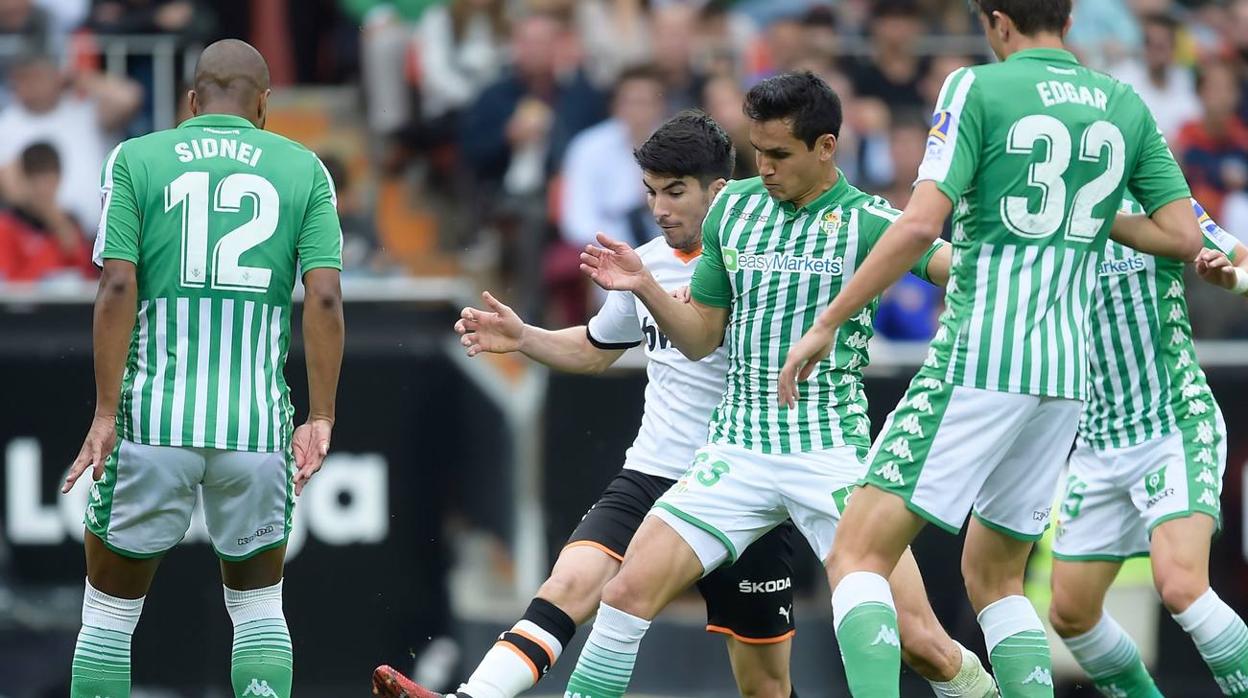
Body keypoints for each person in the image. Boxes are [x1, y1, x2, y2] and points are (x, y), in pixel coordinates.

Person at [777, 1, 1202, 695]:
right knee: (995, 576)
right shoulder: (1122, 102)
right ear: (1064, 19)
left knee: (857, 552)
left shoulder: (977, 87)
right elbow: (1183, 239)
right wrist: (1087, 216)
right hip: (1065, 372)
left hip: (982, 356)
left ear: (998, 21)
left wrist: (828, 321)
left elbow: (919, 226)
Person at [562, 72, 998, 698]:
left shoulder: (870, 222)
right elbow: (700, 338)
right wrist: (647, 288)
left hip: (828, 453)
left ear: (827, 147)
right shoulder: (734, 208)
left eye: (779, 155)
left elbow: (955, 270)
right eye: (756, 151)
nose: (762, 167)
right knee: (626, 593)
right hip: (736, 451)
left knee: (921, 642)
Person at [374, 109, 804, 698]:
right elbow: (598, 350)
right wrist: (524, 335)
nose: (660, 209)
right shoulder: (644, 262)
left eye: (676, 192)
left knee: (765, 686)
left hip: (743, 484)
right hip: (655, 472)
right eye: (651, 192)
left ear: (721, 190)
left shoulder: (766, 263)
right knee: (572, 582)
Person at [60, 39, 345, 698]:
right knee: (257, 610)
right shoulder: (304, 168)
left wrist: (105, 413)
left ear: (192, 100)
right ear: (265, 105)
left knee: (107, 617)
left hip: (151, 420)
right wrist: (321, 415)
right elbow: (324, 297)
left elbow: (117, 288)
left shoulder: (136, 159)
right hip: (254, 427)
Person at [1048, 197, 1248, 697]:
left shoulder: (1159, 198)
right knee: (1070, 613)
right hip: (1096, 438)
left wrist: (1232, 278)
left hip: (1172, 424)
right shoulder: (1040, 207)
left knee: (1181, 585)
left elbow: (1242, 261)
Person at [0, 52, 142, 231]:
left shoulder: (83, 111)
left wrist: (78, 78)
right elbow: (12, 189)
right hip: (41, 236)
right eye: (24, 78)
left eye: (38, 76)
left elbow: (128, 98)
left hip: (99, 233)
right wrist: (58, 222)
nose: (32, 85)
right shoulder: (6, 124)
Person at [559, 64, 667, 249]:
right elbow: (577, 219)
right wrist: (618, 247)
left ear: (661, 106)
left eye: (646, 102)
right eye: (632, 102)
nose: (639, 111)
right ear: (616, 104)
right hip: (606, 250)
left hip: (667, 249)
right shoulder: (588, 147)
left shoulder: (679, 146)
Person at [0, 142, 93, 281]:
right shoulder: (7, 225)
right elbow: (9, 283)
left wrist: (65, 234)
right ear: (23, 180)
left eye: (50, 183)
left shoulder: (70, 224)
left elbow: (88, 277)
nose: (44, 191)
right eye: (37, 183)